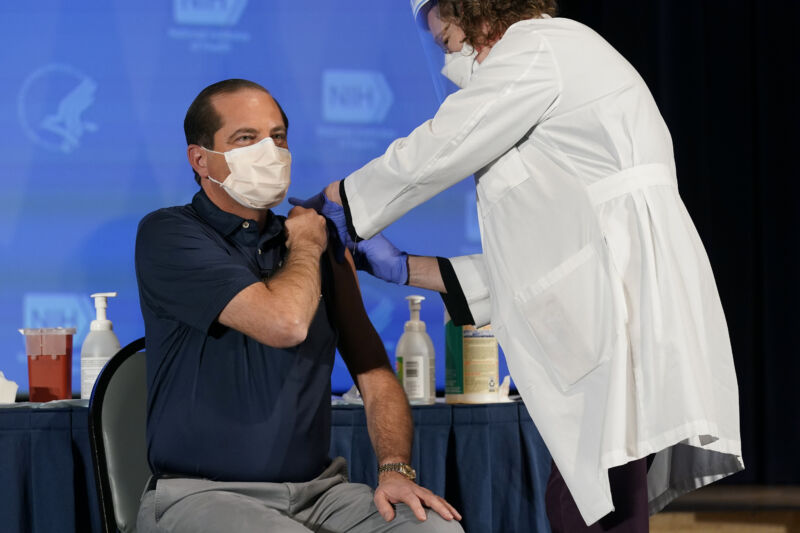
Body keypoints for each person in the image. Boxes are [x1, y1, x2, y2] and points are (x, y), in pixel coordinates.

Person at [294, 1, 744, 531]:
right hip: (606, 299)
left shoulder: (539, 47)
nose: (444, 49)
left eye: (440, 28)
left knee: (591, 505)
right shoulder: (546, 78)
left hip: (617, 303)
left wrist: (346, 198)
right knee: (594, 501)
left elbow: (445, 143)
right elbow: (533, 262)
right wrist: (406, 268)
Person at [134, 78, 463, 533]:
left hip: (320, 493)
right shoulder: (171, 234)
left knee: (435, 530)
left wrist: (394, 470)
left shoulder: (319, 244)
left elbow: (374, 372)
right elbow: (284, 323)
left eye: (278, 137)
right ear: (201, 159)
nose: (269, 151)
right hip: (202, 494)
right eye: (246, 138)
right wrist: (307, 244)